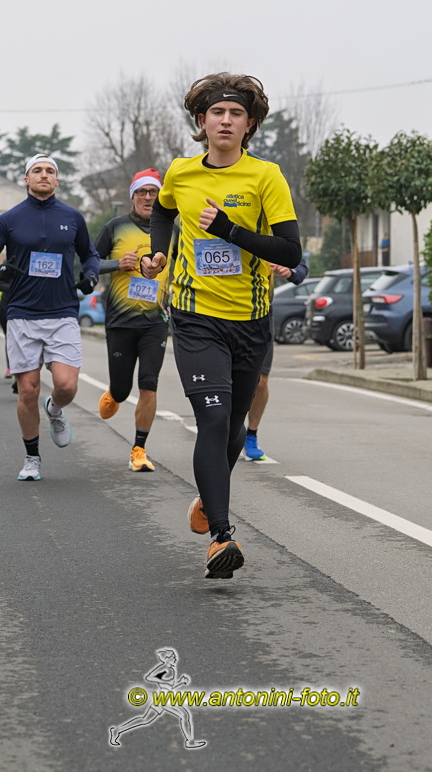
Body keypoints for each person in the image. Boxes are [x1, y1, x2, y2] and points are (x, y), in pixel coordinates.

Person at [140, 73, 301, 578]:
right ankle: (221, 536)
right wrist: (158, 252)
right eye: (217, 113)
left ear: (249, 125)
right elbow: (163, 213)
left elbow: (289, 250)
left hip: (250, 320)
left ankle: (207, 501)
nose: (225, 121)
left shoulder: (266, 176)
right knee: (212, 419)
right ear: (202, 121)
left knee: (233, 428)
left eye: (236, 114)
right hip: (195, 317)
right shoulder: (182, 172)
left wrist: (230, 230)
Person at [0, 154, 99, 481]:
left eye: (50, 171)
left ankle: (54, 408)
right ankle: (32, 459)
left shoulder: (72, 217)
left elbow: (90, 254)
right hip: (23, 314)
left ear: (57, 180)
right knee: (27, 391)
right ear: (26, 179)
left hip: (62, 312)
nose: (44, 175)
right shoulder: (10, 219)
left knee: (66, 385)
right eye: (37, 170)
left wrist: (91, 275)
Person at [94, 168, 172, 472]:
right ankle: (115, 392)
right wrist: (117, 263)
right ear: (133, 196)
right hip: (121, 321)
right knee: (123, 389)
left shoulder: (172, 231)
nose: (148, 197)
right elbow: (89, 263)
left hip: (156, 321)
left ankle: (139, 449)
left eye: (154, 192)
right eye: (142, 192)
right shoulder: (115, 227)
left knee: (149, 385)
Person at [243, 259, 308, 460]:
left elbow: (300, 267)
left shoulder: (270, 240)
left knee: (260, 381)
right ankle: (226, 430)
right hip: (219, 312)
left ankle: (251, 435)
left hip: (260, 314)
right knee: (227, 380)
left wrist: (290, 271)